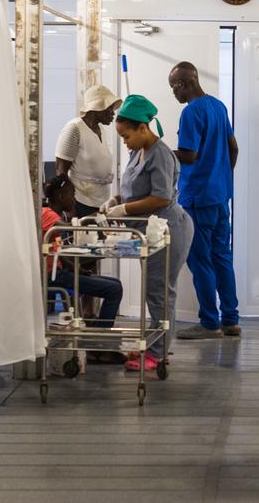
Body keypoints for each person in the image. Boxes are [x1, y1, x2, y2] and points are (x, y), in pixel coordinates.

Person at [103, 94, 194, 372]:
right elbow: (135, 188)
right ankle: (155, 345)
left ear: (143, 128)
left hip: (167, 229)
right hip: (148, 231)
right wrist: (116, 201)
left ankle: (157, 353)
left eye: (126, 135)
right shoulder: (137, 152)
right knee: (154, 291)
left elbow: (161, 198)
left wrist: (125, 210)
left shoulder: (161, 154)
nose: (125, 141)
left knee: (160, 292)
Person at [168, 61, 240, 340]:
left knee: (200, 261)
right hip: (221, 197)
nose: (175, 94)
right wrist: (222, 177)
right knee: (222, 257)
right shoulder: (218, 106)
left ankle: (210, 323)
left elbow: (189, 155)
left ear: (182, 84)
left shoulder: (191, 113)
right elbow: (234, 148)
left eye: (174, 88)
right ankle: (231, 321)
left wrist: (159, 151)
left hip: (197, 199)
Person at [41, 175, 125, 364]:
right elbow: (68, 228)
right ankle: (100, 347)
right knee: (114, 290)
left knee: (115, 284)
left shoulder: (54, 214)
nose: (74, 199)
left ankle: (99, 340)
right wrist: (88, 221)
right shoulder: (48, 214)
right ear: (61, 196)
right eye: (72, 194)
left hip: (61, 272)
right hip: (53, 277)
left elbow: (58, 252)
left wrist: (77, 269)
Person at [55, 85, 122, 217]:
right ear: (97, 108)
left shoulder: (101, 129)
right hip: (79, 201)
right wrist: (69, 208)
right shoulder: (74, 128)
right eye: (109, 108)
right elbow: (60, 170)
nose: (113, 113)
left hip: (100, 201)